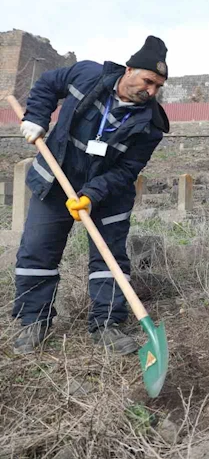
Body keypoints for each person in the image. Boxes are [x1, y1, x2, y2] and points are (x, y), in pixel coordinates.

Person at [12, 36, 170, 355]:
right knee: (37, 252)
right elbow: (46, 84)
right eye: (148, 81)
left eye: (158, 86)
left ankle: (107, 325)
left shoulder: (151, 125)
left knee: (109, 260)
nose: (151, 91)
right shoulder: (87, 75)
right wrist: (36, 118)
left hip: (108, 194)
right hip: (56, 181)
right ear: (129, 70)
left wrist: (92, 194)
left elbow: (127, 170)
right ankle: (33, 321)